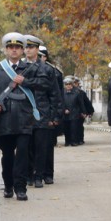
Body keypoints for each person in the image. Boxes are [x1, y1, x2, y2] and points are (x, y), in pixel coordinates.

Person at [0, 32, 49, 201]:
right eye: (11, 47)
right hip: (5, 118)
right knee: (8, 155)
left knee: (23, 155)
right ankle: (8, 185)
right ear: (6, 50)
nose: (14, 50)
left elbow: (45, 85)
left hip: (25, 118)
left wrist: (25, 82)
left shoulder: (31, 68)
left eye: (18, 47)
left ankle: (21, 187)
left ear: (23, 50)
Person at [24, 35, 62, 188]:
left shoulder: (47, 69)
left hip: (42, 112)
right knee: (26, 147)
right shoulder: (19, 68)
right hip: (24, 114)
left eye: (31, 47)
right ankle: (28, 175)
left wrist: (54, 115)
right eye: (26, 47)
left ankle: (39, 175)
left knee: (41, 147)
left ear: (37, 49)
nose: (28, 50)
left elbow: (54, 94)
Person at [38, 45, 64, 184]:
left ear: (45, 57)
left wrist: (56, 116)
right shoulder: (25, 68)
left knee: (47, 146)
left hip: (47, 114)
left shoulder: (55, 72)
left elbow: (58, 96)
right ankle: (33, 173)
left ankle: (48, 174)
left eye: (40, 55)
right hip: (31, 115)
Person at [63, 77, 86, 146]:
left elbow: (81, 103)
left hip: (75, 113)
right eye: (66, 84)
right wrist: (64, 109)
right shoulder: (62, 93)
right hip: (65, 114)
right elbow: (60, 103)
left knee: (74, 128)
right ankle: (67, 141)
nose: (68, 86)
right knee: (66, 129)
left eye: (70, 84)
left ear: (72, 85)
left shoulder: (77, 93)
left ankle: (74, 141)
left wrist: (83, 112)